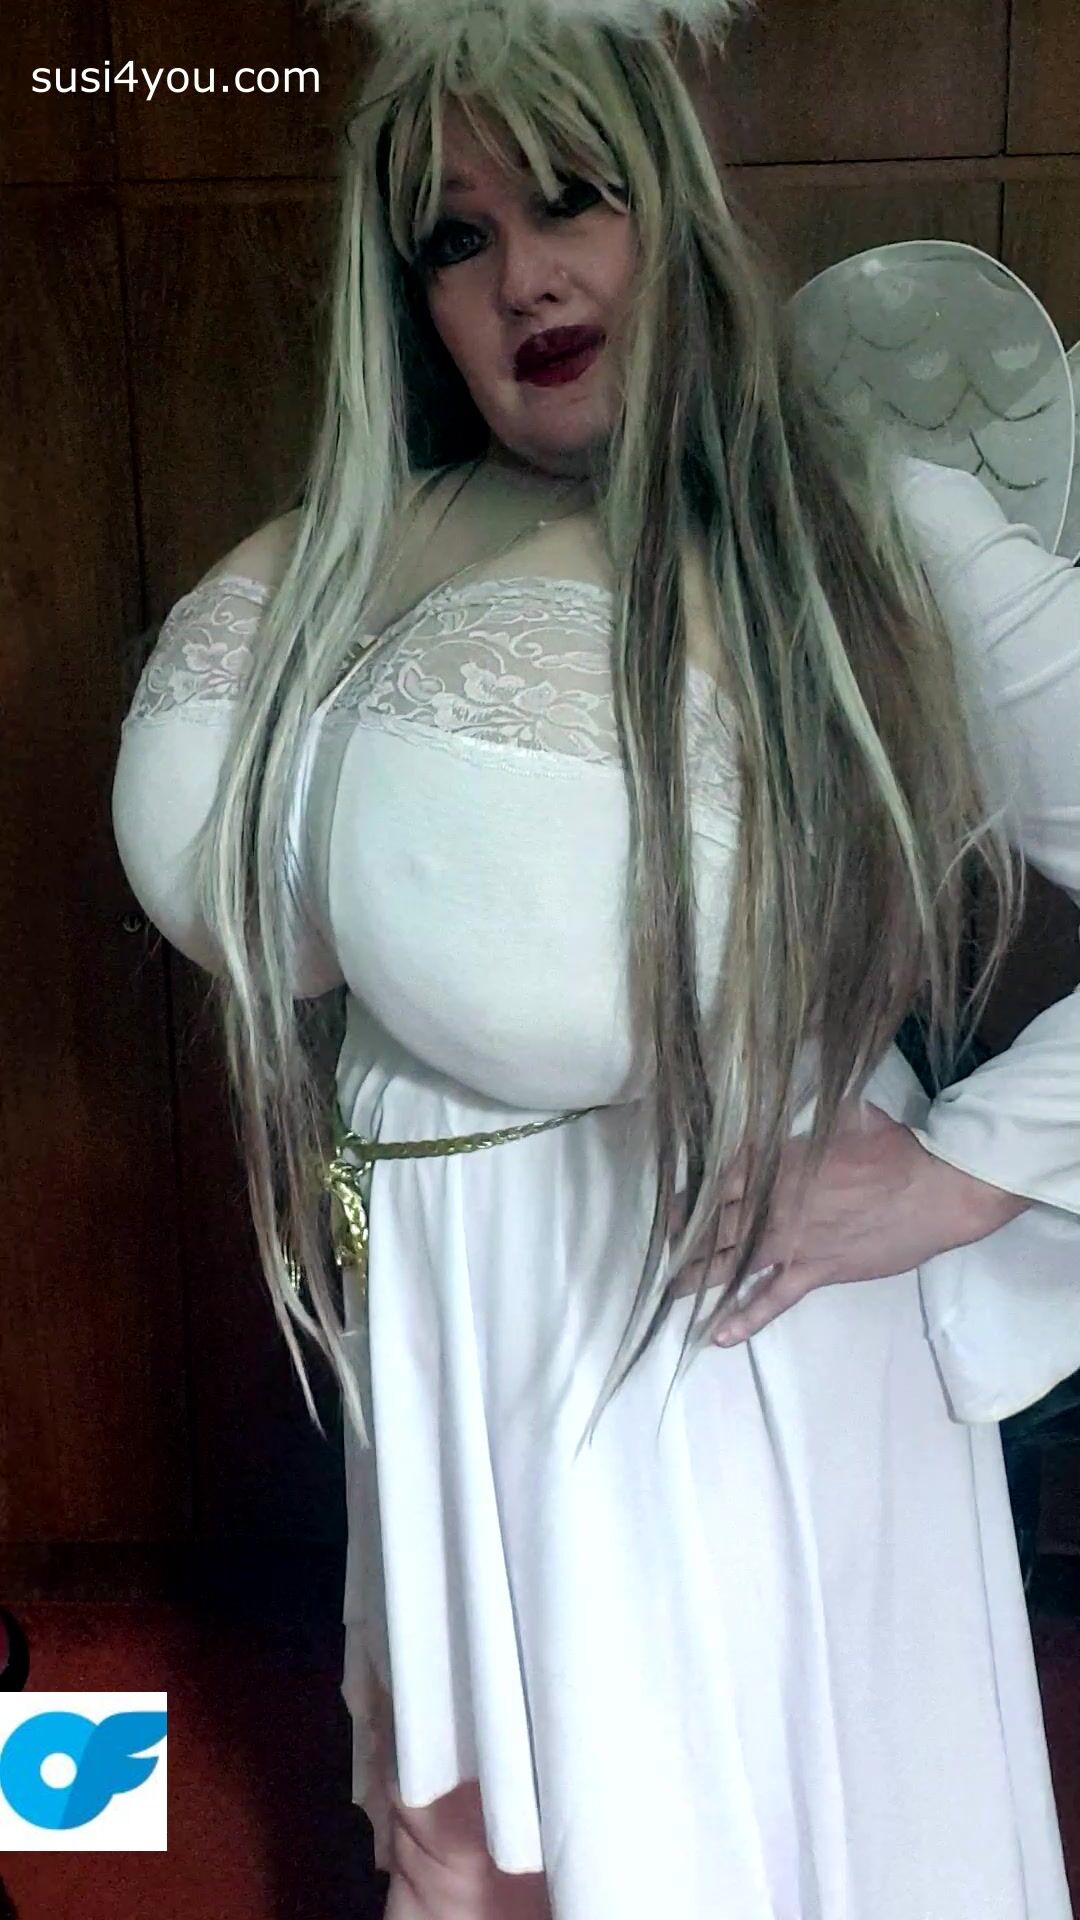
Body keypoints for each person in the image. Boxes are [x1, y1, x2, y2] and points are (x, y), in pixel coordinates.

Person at [111, 0, 1080, 1912]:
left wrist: (970, 1169)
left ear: (674, 207)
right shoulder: (365, 540)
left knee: (708, 1835)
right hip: (437, 1316)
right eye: (455, 238)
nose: (525, 278)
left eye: (571, 200)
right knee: (458, 1840)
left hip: (722, 1342)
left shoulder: (866, 524)